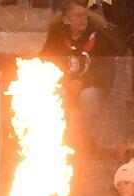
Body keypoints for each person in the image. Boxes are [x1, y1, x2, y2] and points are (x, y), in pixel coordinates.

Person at [40, 0, 117, 148]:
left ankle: (88, 138)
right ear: (66, 20)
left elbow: (105, 69)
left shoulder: (99, 37)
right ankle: (57, 138)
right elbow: (47, 61)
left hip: (93, 85)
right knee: (56, 94)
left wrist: (83, 83)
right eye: (77, 16)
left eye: (84, 15)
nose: (83, 20)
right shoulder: (56, 35)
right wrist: (65, 82)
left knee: (87, 96)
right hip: (65, 83)